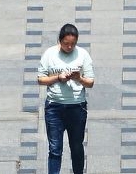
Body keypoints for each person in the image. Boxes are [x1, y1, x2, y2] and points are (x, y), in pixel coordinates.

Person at [39, 24, 96, 174]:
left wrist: (79, 78)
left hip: (77, 107)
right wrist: (58, 77)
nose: (69, 47)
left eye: (73, 44)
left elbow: (90, 82)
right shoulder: (49, 54)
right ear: (60, 40)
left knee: (77, 146)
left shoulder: (83, 55)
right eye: (66, 44)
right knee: (55, 148)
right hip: (54, 107)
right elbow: (41, 79)